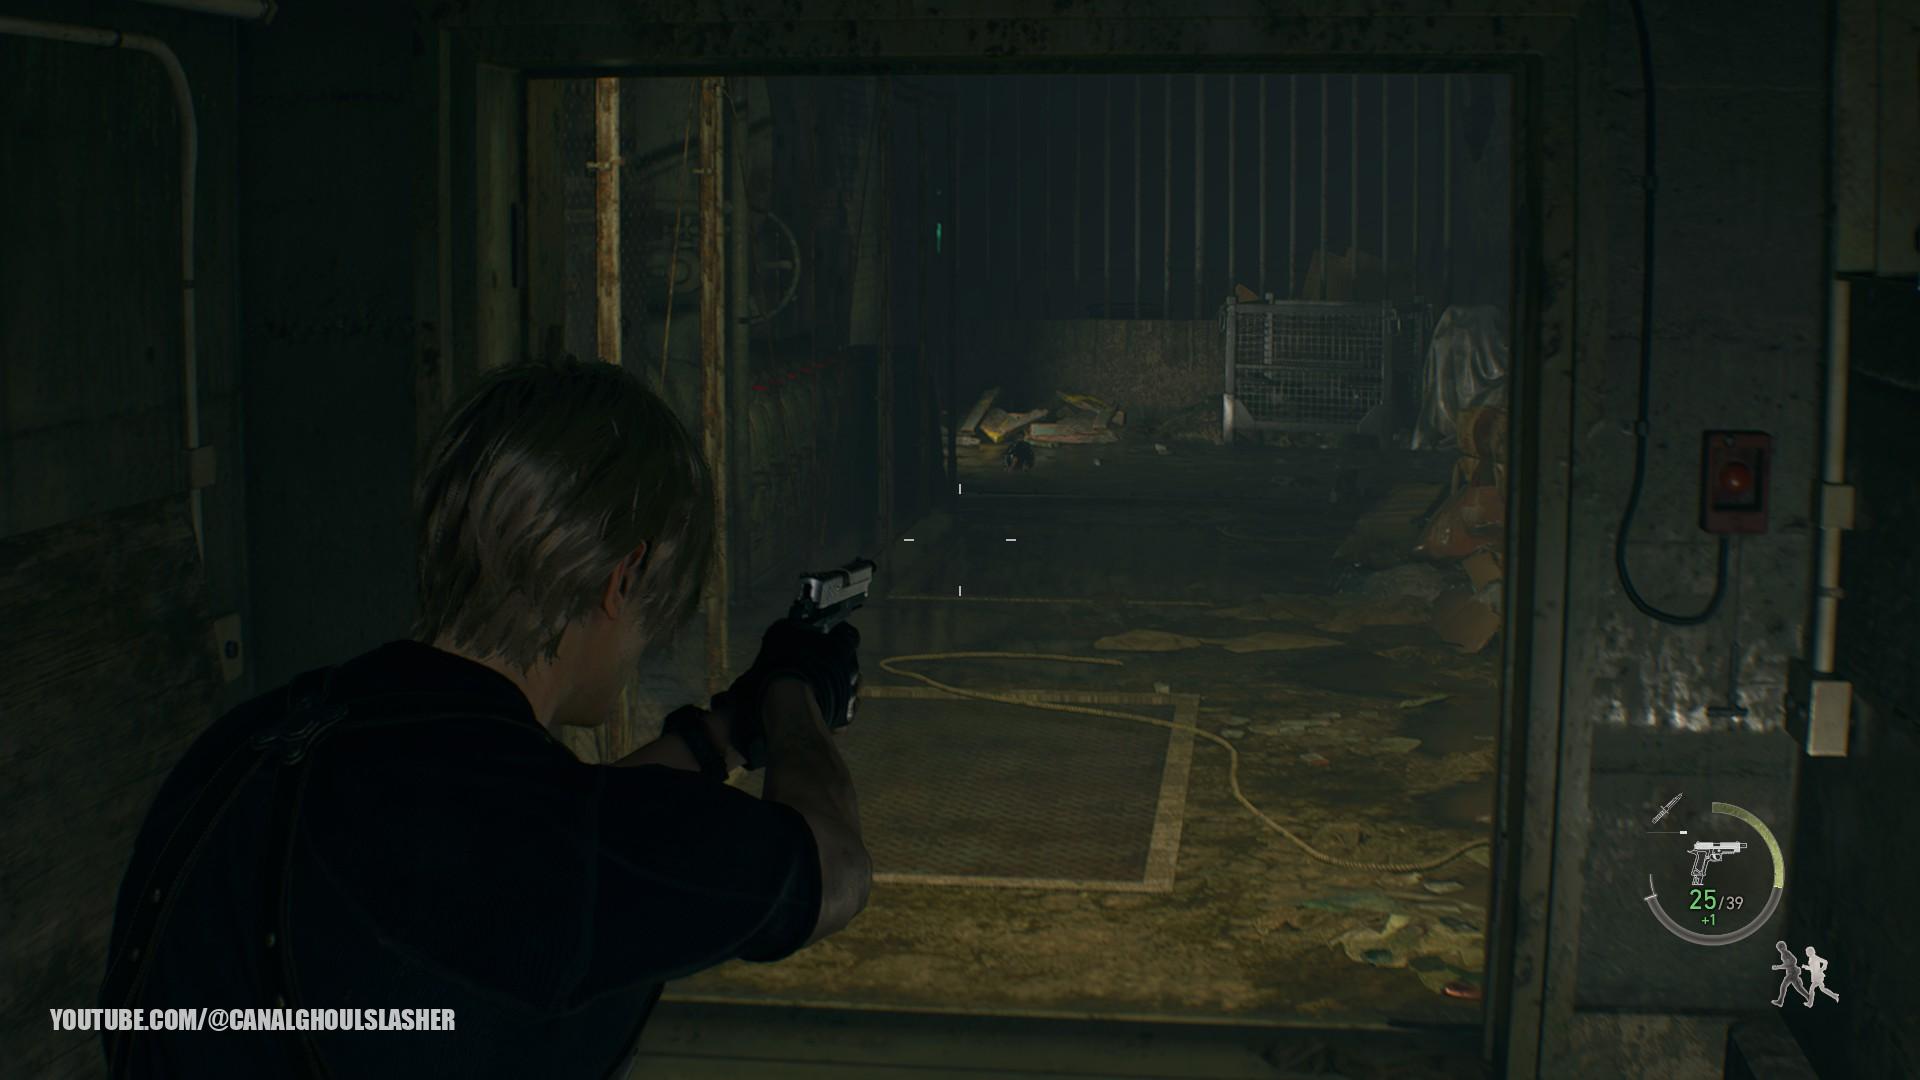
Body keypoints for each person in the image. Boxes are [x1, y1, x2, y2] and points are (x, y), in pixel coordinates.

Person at [98, 357, 871, 1078]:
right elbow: (835, 871)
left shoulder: (260, 742)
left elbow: (543, 830)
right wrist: (793, 692)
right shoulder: (536, 846)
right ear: (623, 578)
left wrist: (723, 733)